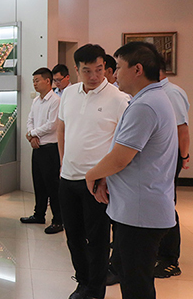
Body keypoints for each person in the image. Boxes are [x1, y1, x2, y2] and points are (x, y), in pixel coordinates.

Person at [85, 42, 178, 299]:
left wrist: (92, 174)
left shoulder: (144, 106)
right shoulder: (150, 99)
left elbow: (120, 158)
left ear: (137, 69)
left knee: (136, 284)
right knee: (131, 275)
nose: (114, 74)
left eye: (118, 67)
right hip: (139, 208)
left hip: (140, 213)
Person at [57, 44, 129, 299]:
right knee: (73, 237)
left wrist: (106, 177)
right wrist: (63, 163)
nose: (94, 76)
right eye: (87, 71)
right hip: (68, 178)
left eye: (99, 69)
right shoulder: (69, 94)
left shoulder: (119, 99)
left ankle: (96, 291)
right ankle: (83, 282)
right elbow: (62, 129)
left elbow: (121, 144)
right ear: (77, 70)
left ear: (105, 68)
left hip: (97, 182)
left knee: (97, 240)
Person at [155, 58, 190, 278]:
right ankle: (158, 251)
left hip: (169, 157)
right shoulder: (153, 93)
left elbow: (182, 130)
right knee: (159, 203)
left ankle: (170, 259)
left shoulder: (172, 93)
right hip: (157, 158)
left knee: (167, 204)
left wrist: (184, 156)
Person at [21, 67, 63, 234]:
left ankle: (58, 220)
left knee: (52, 186)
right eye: (33, 81)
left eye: (37, 80)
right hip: (37, 147)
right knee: (38, 183)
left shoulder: (55, 101)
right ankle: (39, 214)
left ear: (47, 81)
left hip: (50, 148)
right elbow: (30, 119)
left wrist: (33, 134)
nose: (35, 84)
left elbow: (52, 125)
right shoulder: (36, 101)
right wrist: (32, 135)